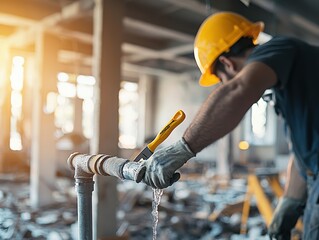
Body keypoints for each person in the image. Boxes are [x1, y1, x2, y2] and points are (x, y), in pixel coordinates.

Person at [136, 11, 319, 239]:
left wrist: (182, 149)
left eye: (221, 80)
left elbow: (238, 90)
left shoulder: (280, 47)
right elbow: (304, 156)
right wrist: (289, 204)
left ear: (227, 63)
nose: (225, 85)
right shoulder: (293, 90)